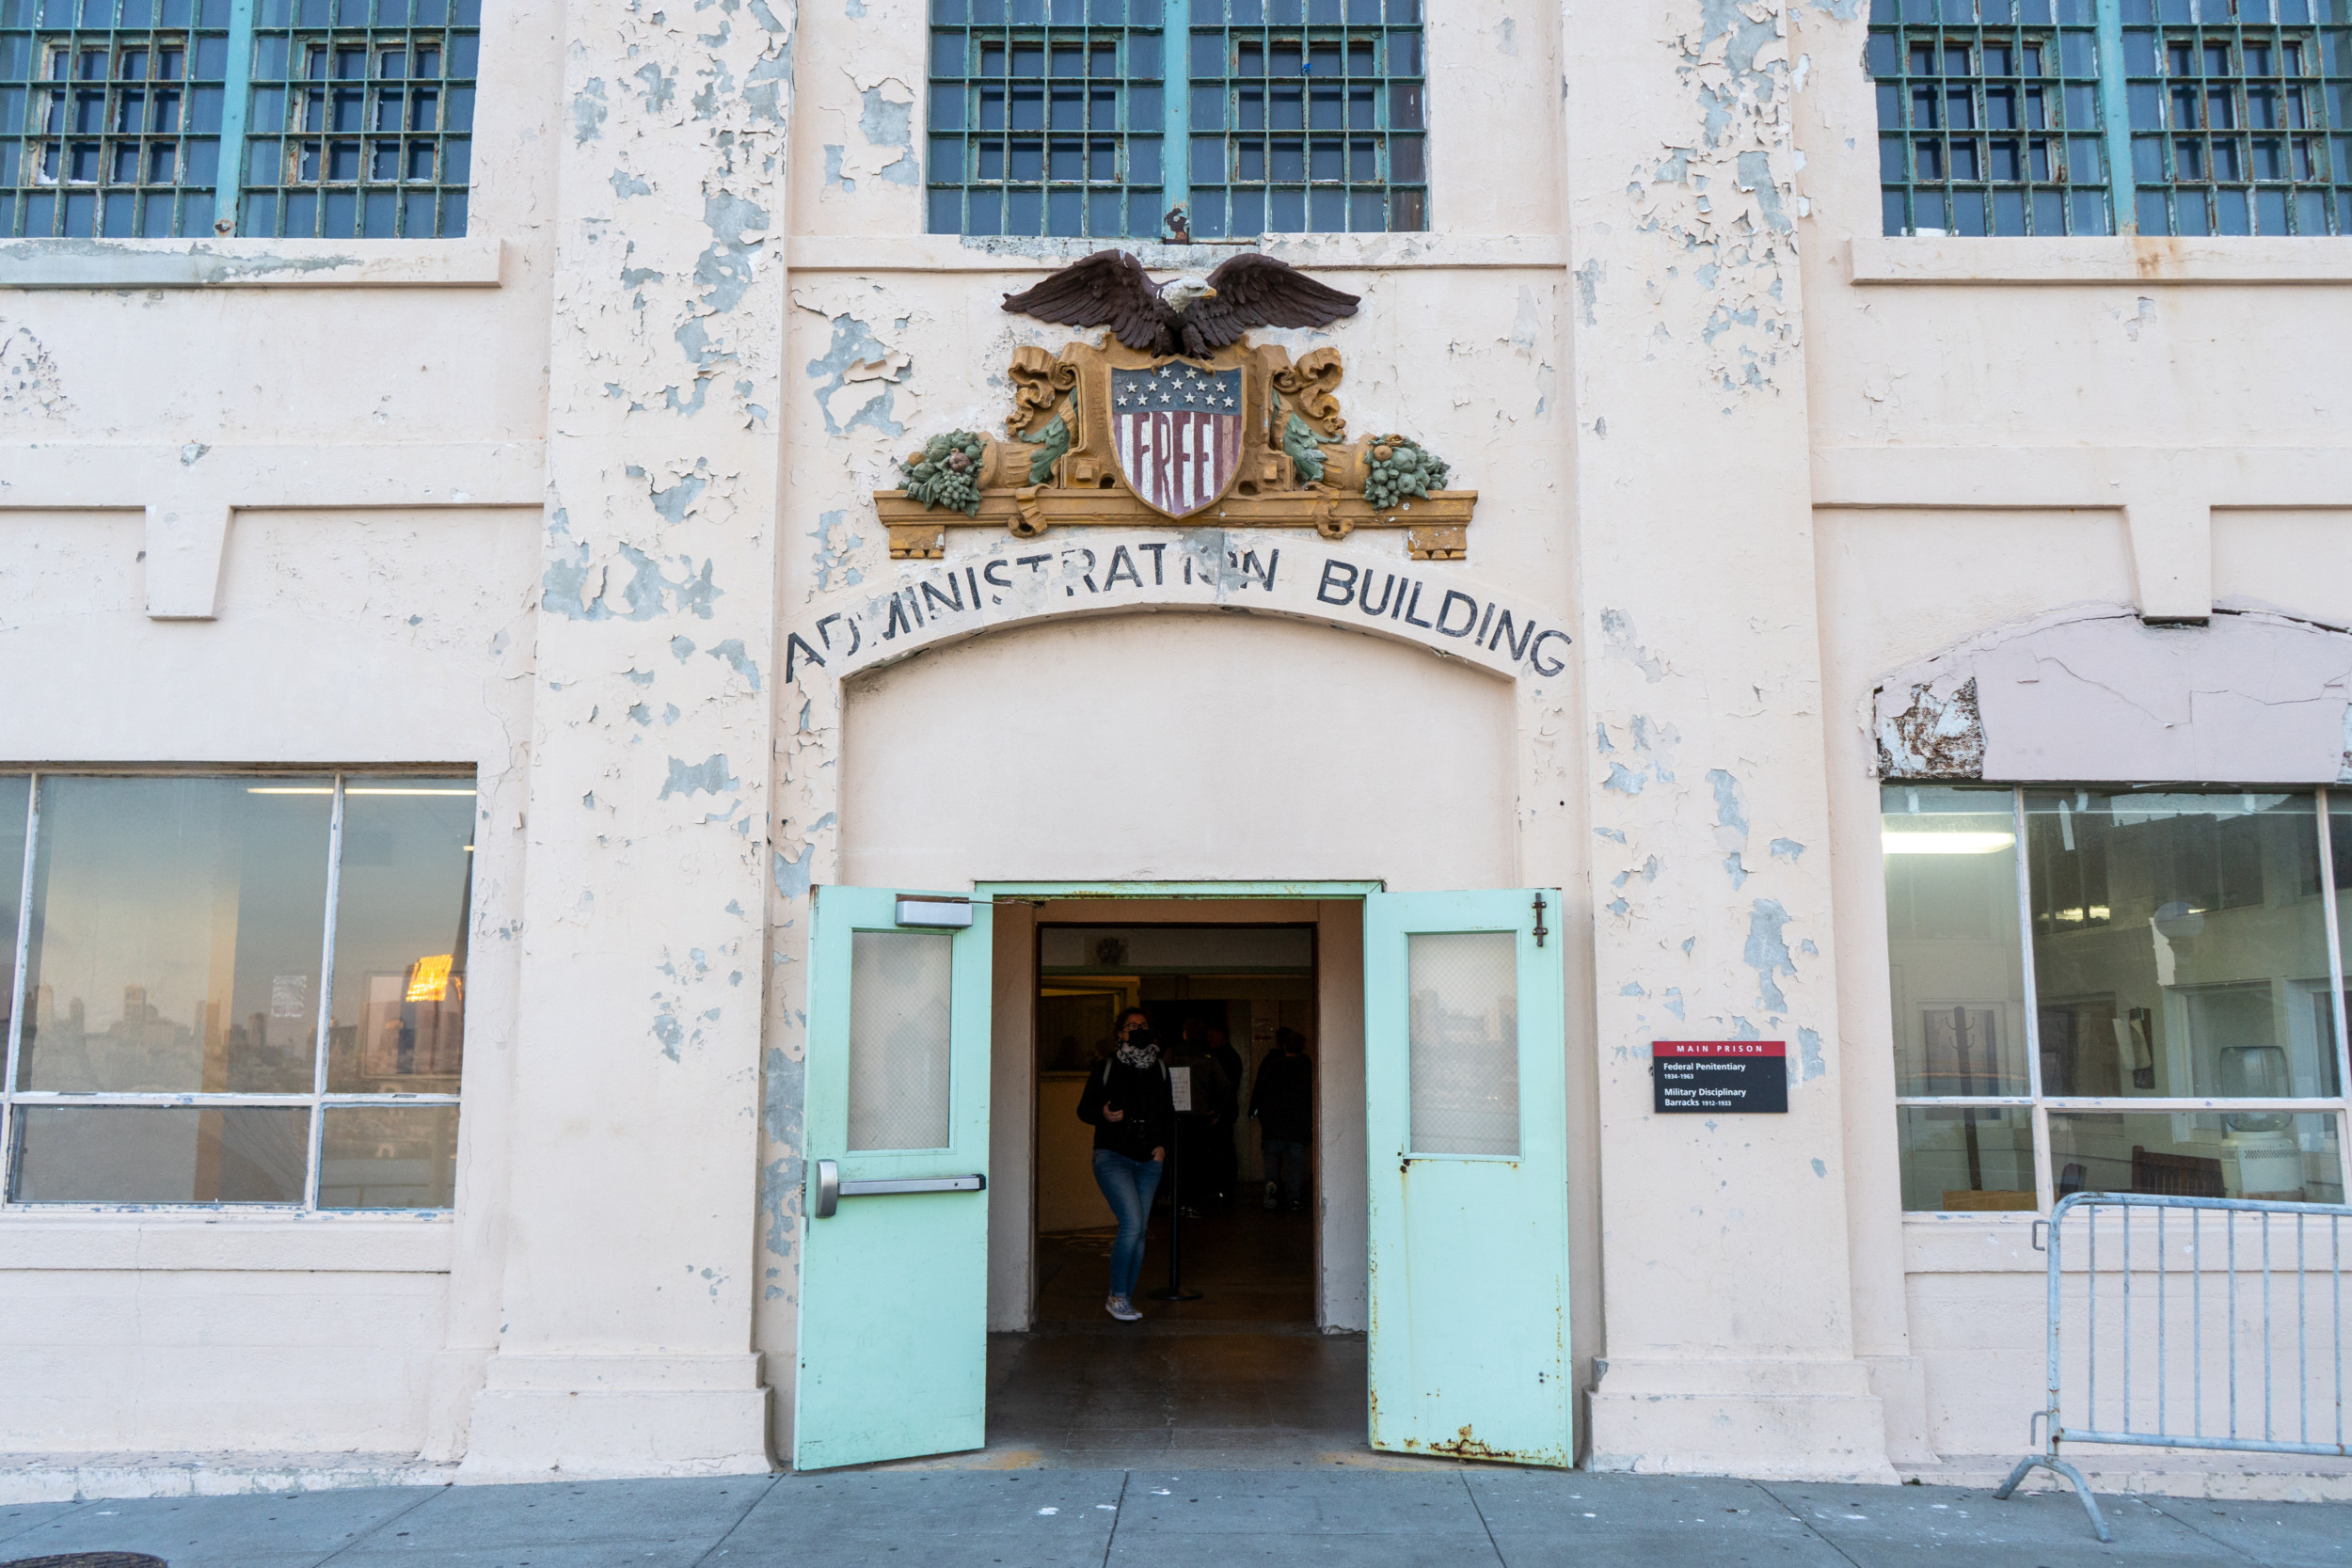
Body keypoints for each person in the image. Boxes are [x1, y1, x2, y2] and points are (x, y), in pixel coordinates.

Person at [1077, 1006, 1173, 1322]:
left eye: (1143, 1025)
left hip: (1149, 1159)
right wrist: (1103, 1114)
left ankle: (1124, 1299)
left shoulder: (1159, 1068)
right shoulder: (1105, 1066)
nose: (1137, 1030)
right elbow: (1084, 1110)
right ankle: (1117, 1296)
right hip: (1112, 1156)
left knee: (1140, 1229)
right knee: (1132, 1223)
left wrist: (1162, 1147)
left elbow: (1166, 1112)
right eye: (1131, 1026)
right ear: (1119, 1033)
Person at [1249, 1026, 1313, 1212]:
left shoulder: (1272, 1065)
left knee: (1272, 1163)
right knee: (1296, 1167)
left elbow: (1259, 1092)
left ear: (1284, 1046)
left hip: (1273, 1126)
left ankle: (1271, 1190)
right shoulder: (1307, 1067)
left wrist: (1253, 1111)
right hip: (1298, 1127)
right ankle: (1294, 1198)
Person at [1203, 1023, 1245, 1208]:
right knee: (1224, 1150)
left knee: (1222, 1151)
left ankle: (1223, 1190)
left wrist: (1216, 1109)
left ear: (1221, 1035)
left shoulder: (1222, 1057)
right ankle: (1224, 1190)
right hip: (1222, 1110)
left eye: (1212, 1035)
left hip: (1220, 1111)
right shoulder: (1229, 1056)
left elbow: (1227, 1087)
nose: (1209, 1039)